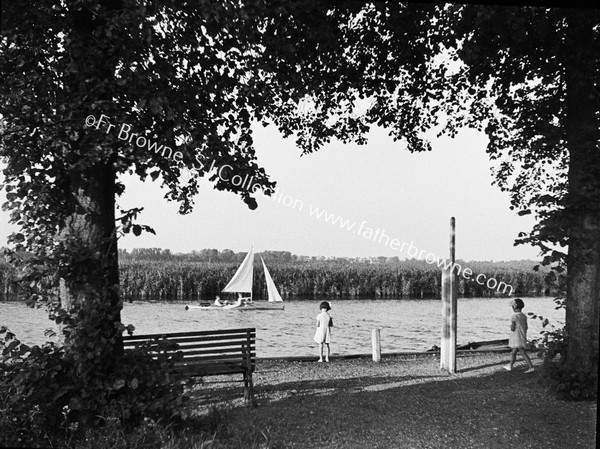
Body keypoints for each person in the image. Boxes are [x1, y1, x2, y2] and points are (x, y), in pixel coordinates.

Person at [504, 298, 535, 373]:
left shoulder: (514, 316)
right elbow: (526, 327)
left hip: (516, 337)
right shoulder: (524, 316)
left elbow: (513, 328)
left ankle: (531, 367)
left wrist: (511, 326)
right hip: (522, 336)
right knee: (514, 352)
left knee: (521, 353)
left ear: (514, 307)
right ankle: (510, 365)